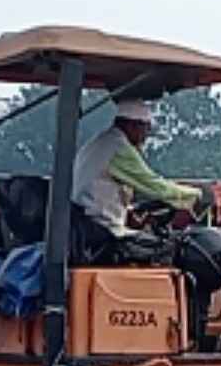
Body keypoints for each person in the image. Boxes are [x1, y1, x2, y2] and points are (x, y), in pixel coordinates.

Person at [70, 99, 203, 261]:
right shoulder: (119, 149)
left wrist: (131, 212)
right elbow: (154, 184)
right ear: (132, 125)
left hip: (86, 227)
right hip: (105, 231)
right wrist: (195, 194)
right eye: (145, 129)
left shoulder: (99, 143)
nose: (146, 136)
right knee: (172, 250)